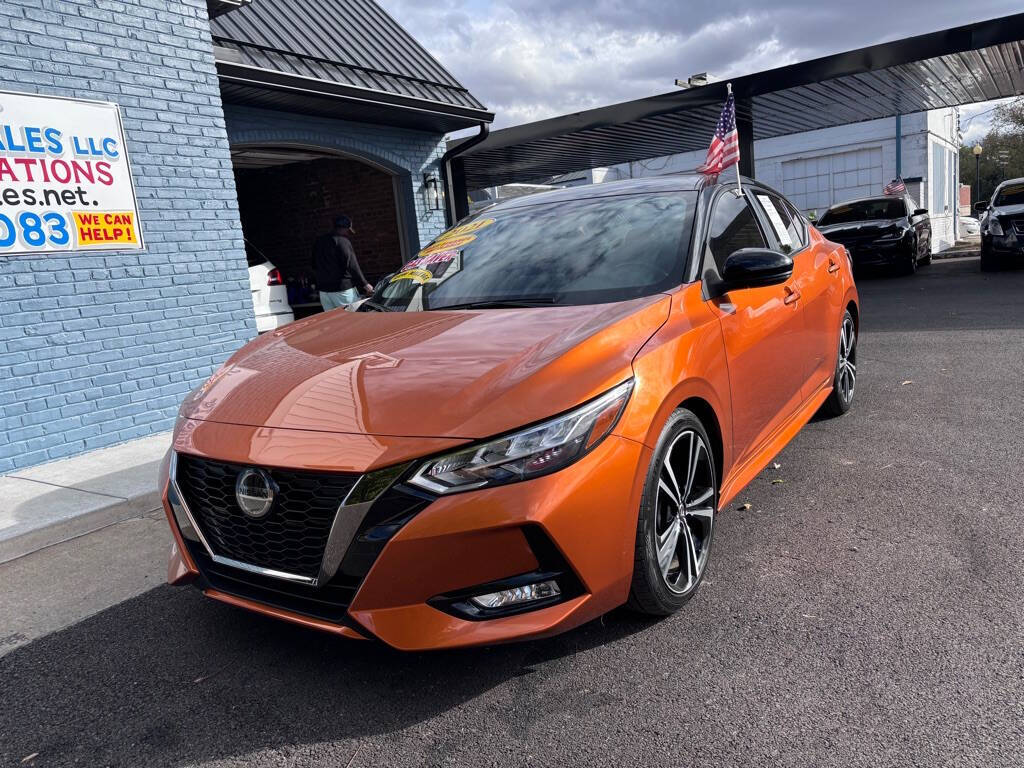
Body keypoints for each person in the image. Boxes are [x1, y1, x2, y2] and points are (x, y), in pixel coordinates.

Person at [312, 215, 373, 310]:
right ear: (345, 228)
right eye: (348, 231)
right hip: (342, 290)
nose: (347, 234)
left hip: (324, 292)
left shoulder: (319, 241)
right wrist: (365, 284)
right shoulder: (343, 241)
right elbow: (352, 265)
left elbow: (314, 264)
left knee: (334, 322)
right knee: (354, 320)